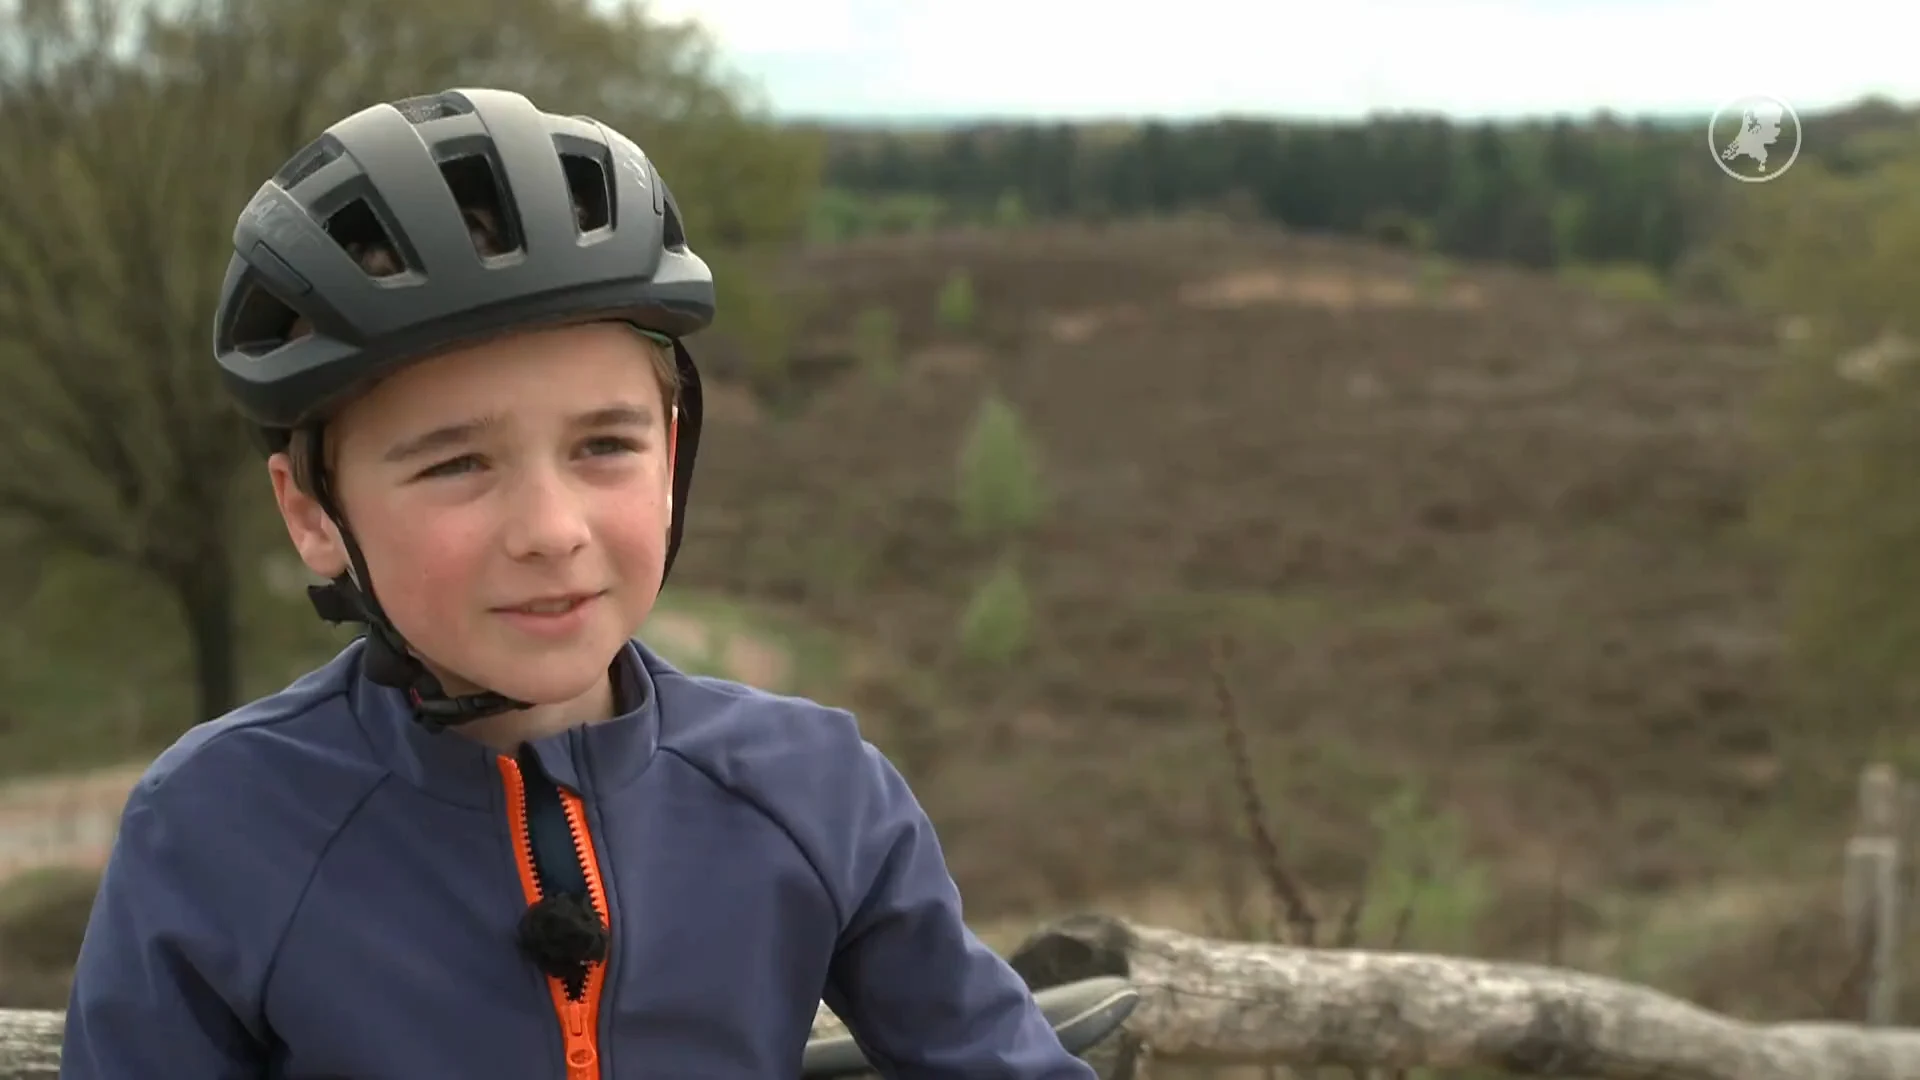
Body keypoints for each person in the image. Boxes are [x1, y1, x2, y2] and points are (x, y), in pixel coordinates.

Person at [59, 88, 1096, 1080]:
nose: (551, 532)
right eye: (456, 463)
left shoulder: (816, 796)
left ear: (673, 447)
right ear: (313, 514)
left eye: (604, 444)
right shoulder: (216, 832)